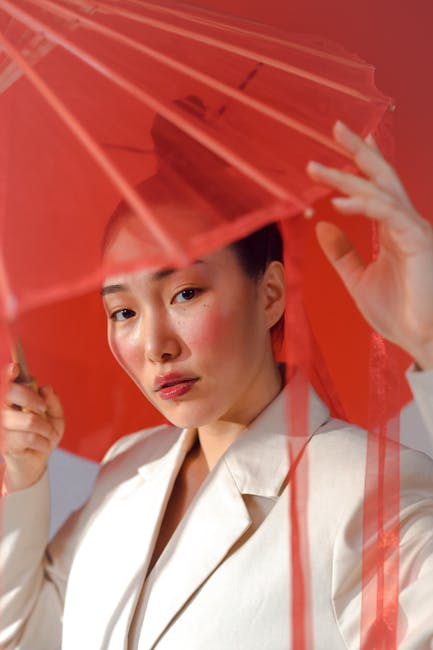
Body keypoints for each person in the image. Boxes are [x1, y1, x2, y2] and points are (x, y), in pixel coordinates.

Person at [0, 120, 433, 649]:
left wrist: (430, 338)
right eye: (123, 311)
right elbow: (28, 639)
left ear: (270, 294)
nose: (155, 345)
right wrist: (23, 480)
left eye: (185, 293)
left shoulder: (364, 489)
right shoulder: (126, 469)